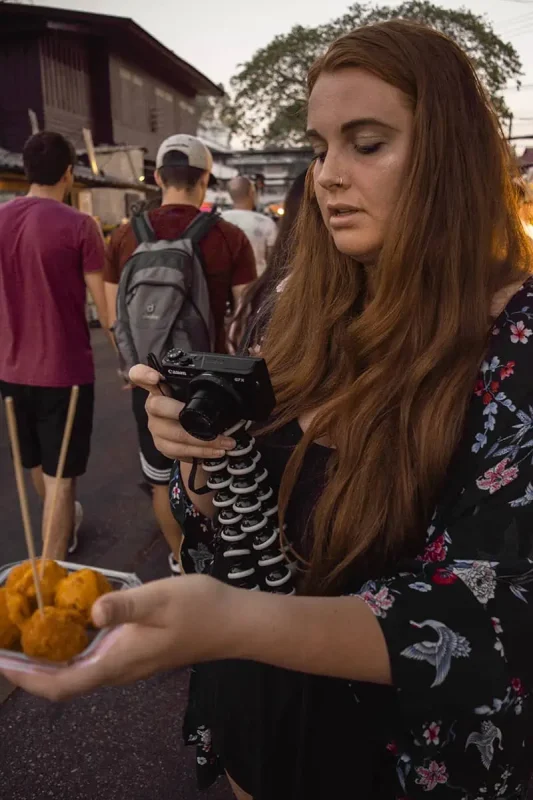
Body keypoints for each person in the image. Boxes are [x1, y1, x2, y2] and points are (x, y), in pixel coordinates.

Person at [5, 21, 533, 800]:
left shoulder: (512, 342)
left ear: (450, 157)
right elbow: (222, 515)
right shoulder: (289, 310)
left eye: (368, 143)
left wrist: (230, 622)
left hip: (396, 762)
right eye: (320, 148)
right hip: (257, 722)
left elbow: (494, 614)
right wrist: (198, 456)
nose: (327, 177)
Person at [104, 135, 256, 575]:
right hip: (215, 384)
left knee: (158, 476)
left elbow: (118, 320)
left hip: (149, 380)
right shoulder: (228, 236)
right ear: (205, 179)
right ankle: (223, 569)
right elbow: (246, 318)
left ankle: (179, 563)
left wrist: (138, 371)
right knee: (218, 474)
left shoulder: (125, 235)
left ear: (157, 177)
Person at [0, 132, 108, 559]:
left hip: (9, 370)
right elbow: (106, 307)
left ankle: (59, 527)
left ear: (25, 172)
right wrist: (126, 365)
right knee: (62, 476)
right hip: (65, 373)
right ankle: (51, 569)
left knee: (37, 466)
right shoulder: (80, 225)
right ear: (69, 173)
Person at [228, 170, 307, 352]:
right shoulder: (264, 223)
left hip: (252, 296)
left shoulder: (220, 223)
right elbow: (276, 255)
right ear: (251, 193)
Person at [222, 177, 278, 277]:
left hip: (223, 283)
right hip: (256, 284)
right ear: (252, 193)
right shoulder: (266, 223)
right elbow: (273, 260)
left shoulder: (218, 220)